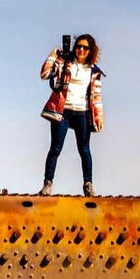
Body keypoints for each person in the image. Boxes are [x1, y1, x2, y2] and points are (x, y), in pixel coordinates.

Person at [39, 34, 103, 196]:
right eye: (78, 46)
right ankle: (47, 184)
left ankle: (88, 185)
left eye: (85, 47)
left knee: (84, 149)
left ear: (90, 50)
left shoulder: (94, 71)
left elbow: (96, 96)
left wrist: (98, 116)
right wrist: (54, 55)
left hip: (83, 112)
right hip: (63, 111)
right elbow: (45, 74)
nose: (81, 50)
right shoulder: (65, 63)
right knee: (55, 148)